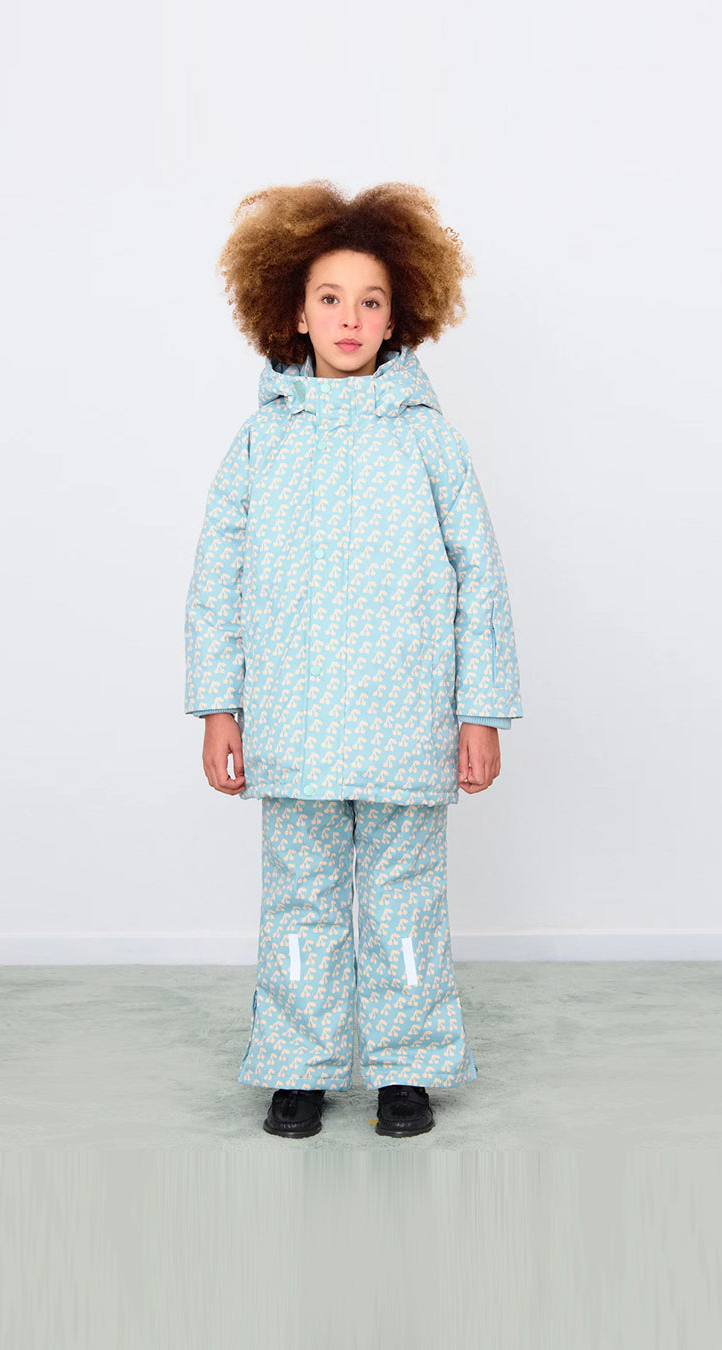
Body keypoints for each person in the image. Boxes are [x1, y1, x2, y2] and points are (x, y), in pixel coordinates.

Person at [184, 180, 523, 1140]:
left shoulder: (427, 441)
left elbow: (481, 578)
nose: (349, 318)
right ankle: (298, 1063)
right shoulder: (261, 443)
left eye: (370, 301)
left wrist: (481, 711)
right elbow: (217, 580)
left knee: (404, 903)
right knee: (301, 901)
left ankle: (407, 1066)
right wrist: (218, 708)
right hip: (292, 726)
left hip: (407, 722)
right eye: (330, 298)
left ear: (397, 315)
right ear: (294, 311)